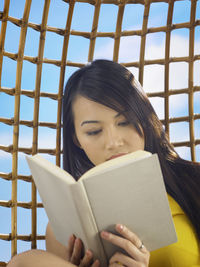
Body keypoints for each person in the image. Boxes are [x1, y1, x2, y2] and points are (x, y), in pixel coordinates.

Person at [7, 59, 200, 267]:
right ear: (77, 140)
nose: (113, 142)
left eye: (124, 122)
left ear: (144, 118)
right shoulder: (64, 232)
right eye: (94, 131)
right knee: (25, 262)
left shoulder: (193, 182)